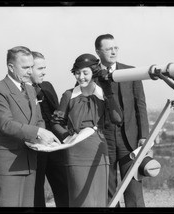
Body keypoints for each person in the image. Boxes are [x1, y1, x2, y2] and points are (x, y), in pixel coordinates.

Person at [0, 46, 60, 207]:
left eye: (31, 67)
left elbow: (38, 118)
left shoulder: (30, 89)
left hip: (30, 162)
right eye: (25, 67)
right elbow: (6, 124)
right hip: (9, 164)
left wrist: (41, 138)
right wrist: (39, 132)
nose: (29, 71)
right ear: (11, 67)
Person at [51, 53, 123, 207]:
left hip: (99, 153)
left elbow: (117, 119)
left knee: (100, 201)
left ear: (94, 72)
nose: (81, 77)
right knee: (81, 201)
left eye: (85, 73)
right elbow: (55, 123)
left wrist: (108, 91)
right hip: (75, 154)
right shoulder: (69, 95)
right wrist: (68, 137)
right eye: (77, 73)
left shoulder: (103, 94)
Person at [95, 34, 149, 207]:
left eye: (115, 48)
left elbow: (141, 105)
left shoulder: (131, 72)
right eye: (108, 48)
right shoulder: (90, 75)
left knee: (133, 187)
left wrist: (144, 135)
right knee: (108, 188)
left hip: (129, 139)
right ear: (98, 52)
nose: (113, 51)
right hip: (103, 139)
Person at [29, 51, 69, 207]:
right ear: (28, 69)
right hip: (35, 148)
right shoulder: (21, 91)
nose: (44, 72)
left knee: (64, 186)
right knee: (36, 191)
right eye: (40, 69)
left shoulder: (48, 86)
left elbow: (57, 116)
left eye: (45, 68)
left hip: (55, 147)